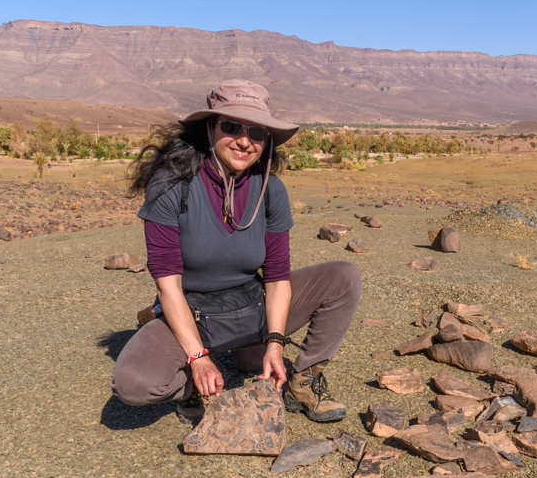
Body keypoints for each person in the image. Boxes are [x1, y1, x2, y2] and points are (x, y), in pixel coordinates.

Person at [111, 80, 361, 423]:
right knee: (134, 384)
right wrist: (198, 357)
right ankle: (190, 386)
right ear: (210, 130)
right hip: (193, 311)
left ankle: (302, 380)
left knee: (343, 276)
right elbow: (168, 286)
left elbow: (276, 278)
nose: (245, 140)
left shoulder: (271, 190)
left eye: (257, 131)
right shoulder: (171, 185)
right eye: (231, 127)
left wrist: (274, 342)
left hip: (252, 304)